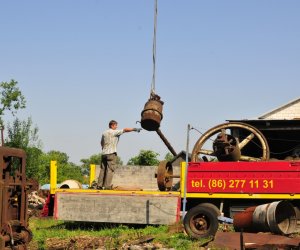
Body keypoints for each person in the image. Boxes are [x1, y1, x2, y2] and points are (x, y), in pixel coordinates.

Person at [97, 120, 141, 190]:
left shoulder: (104, 132)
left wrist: (104, 148)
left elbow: (101, 143)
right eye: (115, 125)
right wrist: (135, 129)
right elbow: (125, 130)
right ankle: (107, 186)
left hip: (104, 153)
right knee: (110, 169)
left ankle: (99, 185)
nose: (116, 127)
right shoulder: (114, 132)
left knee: (103, 169)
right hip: (111, 153)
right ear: (112, 125)